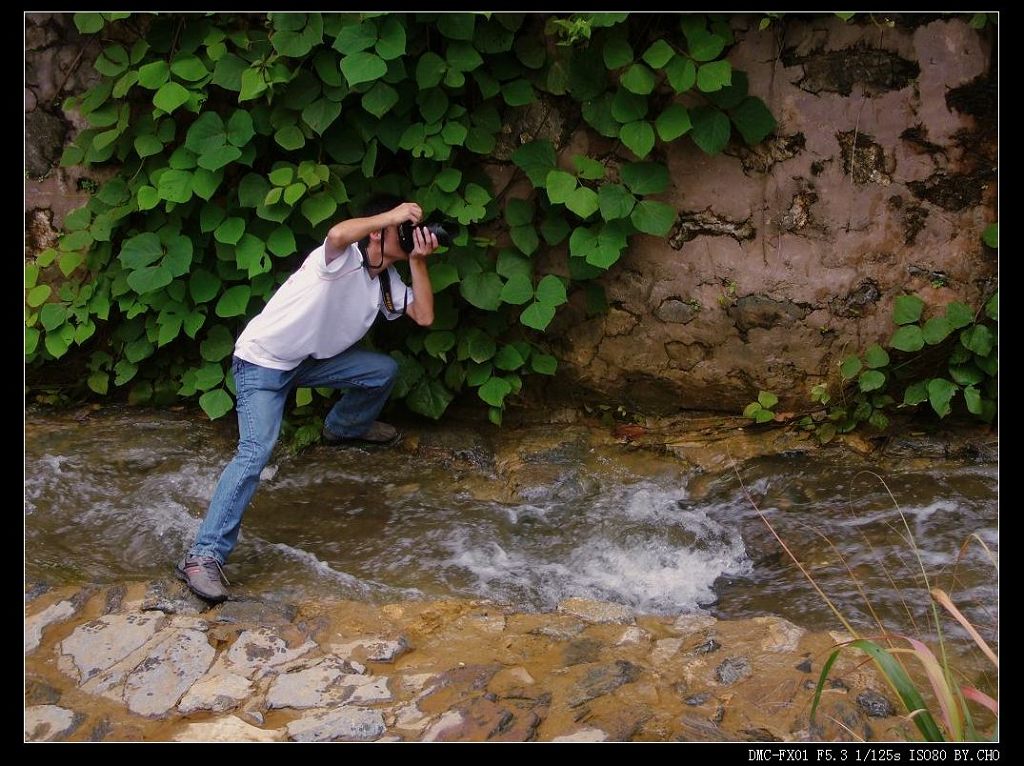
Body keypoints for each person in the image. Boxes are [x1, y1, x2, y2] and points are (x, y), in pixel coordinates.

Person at [177, 196, 439, 602]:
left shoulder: (387, 282)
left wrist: (418, 260)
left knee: (381, 371)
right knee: (255, 452)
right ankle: (203, 556)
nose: (407, 234)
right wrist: (391, 215)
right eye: (400, 230)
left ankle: (343, 428)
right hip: (262, 363)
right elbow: (336, 232)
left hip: (306, 363)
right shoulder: (338, 260)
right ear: (376, 231)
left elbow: (423, 316)